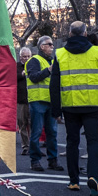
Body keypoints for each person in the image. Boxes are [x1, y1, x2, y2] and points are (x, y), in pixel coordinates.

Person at [50, 22, 98, 196]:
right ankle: (94, 176)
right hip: (92, 106)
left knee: (72, 142)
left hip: (70, 106)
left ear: (70, 34)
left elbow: (54, 85)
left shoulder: (60, 54)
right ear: (86, 33)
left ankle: (74, 181)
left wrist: (56, 111)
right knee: (94, 142)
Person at [26, 36, 62, 173]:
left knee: (52, 132)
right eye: (49, 44)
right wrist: (49, 70)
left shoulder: (52, 61)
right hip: (38, 101)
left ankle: (52, 160)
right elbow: (34, 77)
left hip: (51, 101)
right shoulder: (33, 61)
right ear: (42, 46)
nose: (52, 47)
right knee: (36, 132)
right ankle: (35, 161)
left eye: (52, 44)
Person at [16, 45, 32, 155]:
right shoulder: (16, 66)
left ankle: (33, 146)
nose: (26, 58)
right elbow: (12, 77)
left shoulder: (34, 65)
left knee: (32, 124)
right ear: (20, 56)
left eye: (28, 56)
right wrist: (22, 74)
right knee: (22, 124)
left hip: (32, 99)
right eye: (24, 56)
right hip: (20, 100)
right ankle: (25, 146)